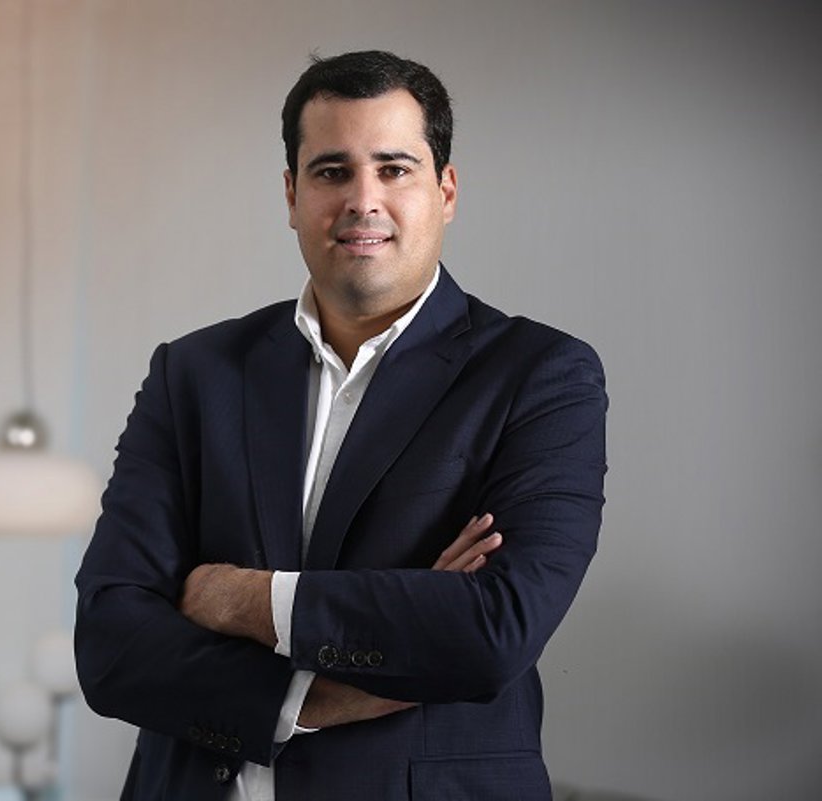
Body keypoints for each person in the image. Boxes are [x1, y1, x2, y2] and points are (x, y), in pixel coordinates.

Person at [75, 50, 607, 801]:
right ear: (292, 195)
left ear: (445, 190)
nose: (364, 200)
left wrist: (239, 600)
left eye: (394, 169)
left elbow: (494, 632)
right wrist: (318, 698)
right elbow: (109, 645)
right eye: (332, 171)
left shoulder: (540, 375)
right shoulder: (193, 373)